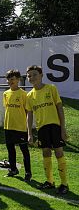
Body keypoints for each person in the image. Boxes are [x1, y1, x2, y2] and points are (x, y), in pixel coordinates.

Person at [26, 65, 69, 194]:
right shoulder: (29, 95)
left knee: (59, 153)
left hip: (55, 126)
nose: (32, 77)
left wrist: (63, 129)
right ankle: (50, 181)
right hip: (42, 128)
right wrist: (29, 133)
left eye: (34, 74)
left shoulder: (51, 88)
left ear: (41, 75)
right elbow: (29, 115)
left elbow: (60, 108)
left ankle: (64, 184)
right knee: (46, 153)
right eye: (29, 76)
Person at [3, 70, 31, 181]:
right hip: (8, 126)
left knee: (24, 150)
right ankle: (13, 169)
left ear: (18, 80)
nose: (10, 81)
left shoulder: (24, 94)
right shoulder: (5, 93)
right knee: (10, 149)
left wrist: (27, 127)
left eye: (13, 79)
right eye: (9, 79)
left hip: (20, 127)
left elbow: (27, 111)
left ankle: (28, 173)